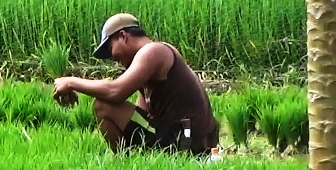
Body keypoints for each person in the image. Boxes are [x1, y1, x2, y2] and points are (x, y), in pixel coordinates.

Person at [52, 13, 219, 156]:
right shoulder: (149, 75)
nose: (113, 58)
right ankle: (132, 166)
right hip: (183, 139)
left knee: (103, 106)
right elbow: (139, 119)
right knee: (110, 105)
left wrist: (71, 82)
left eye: (111, 49)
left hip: (187, 143)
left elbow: (116, 92)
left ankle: (123, 165)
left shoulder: (154, 51)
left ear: (123, 36)